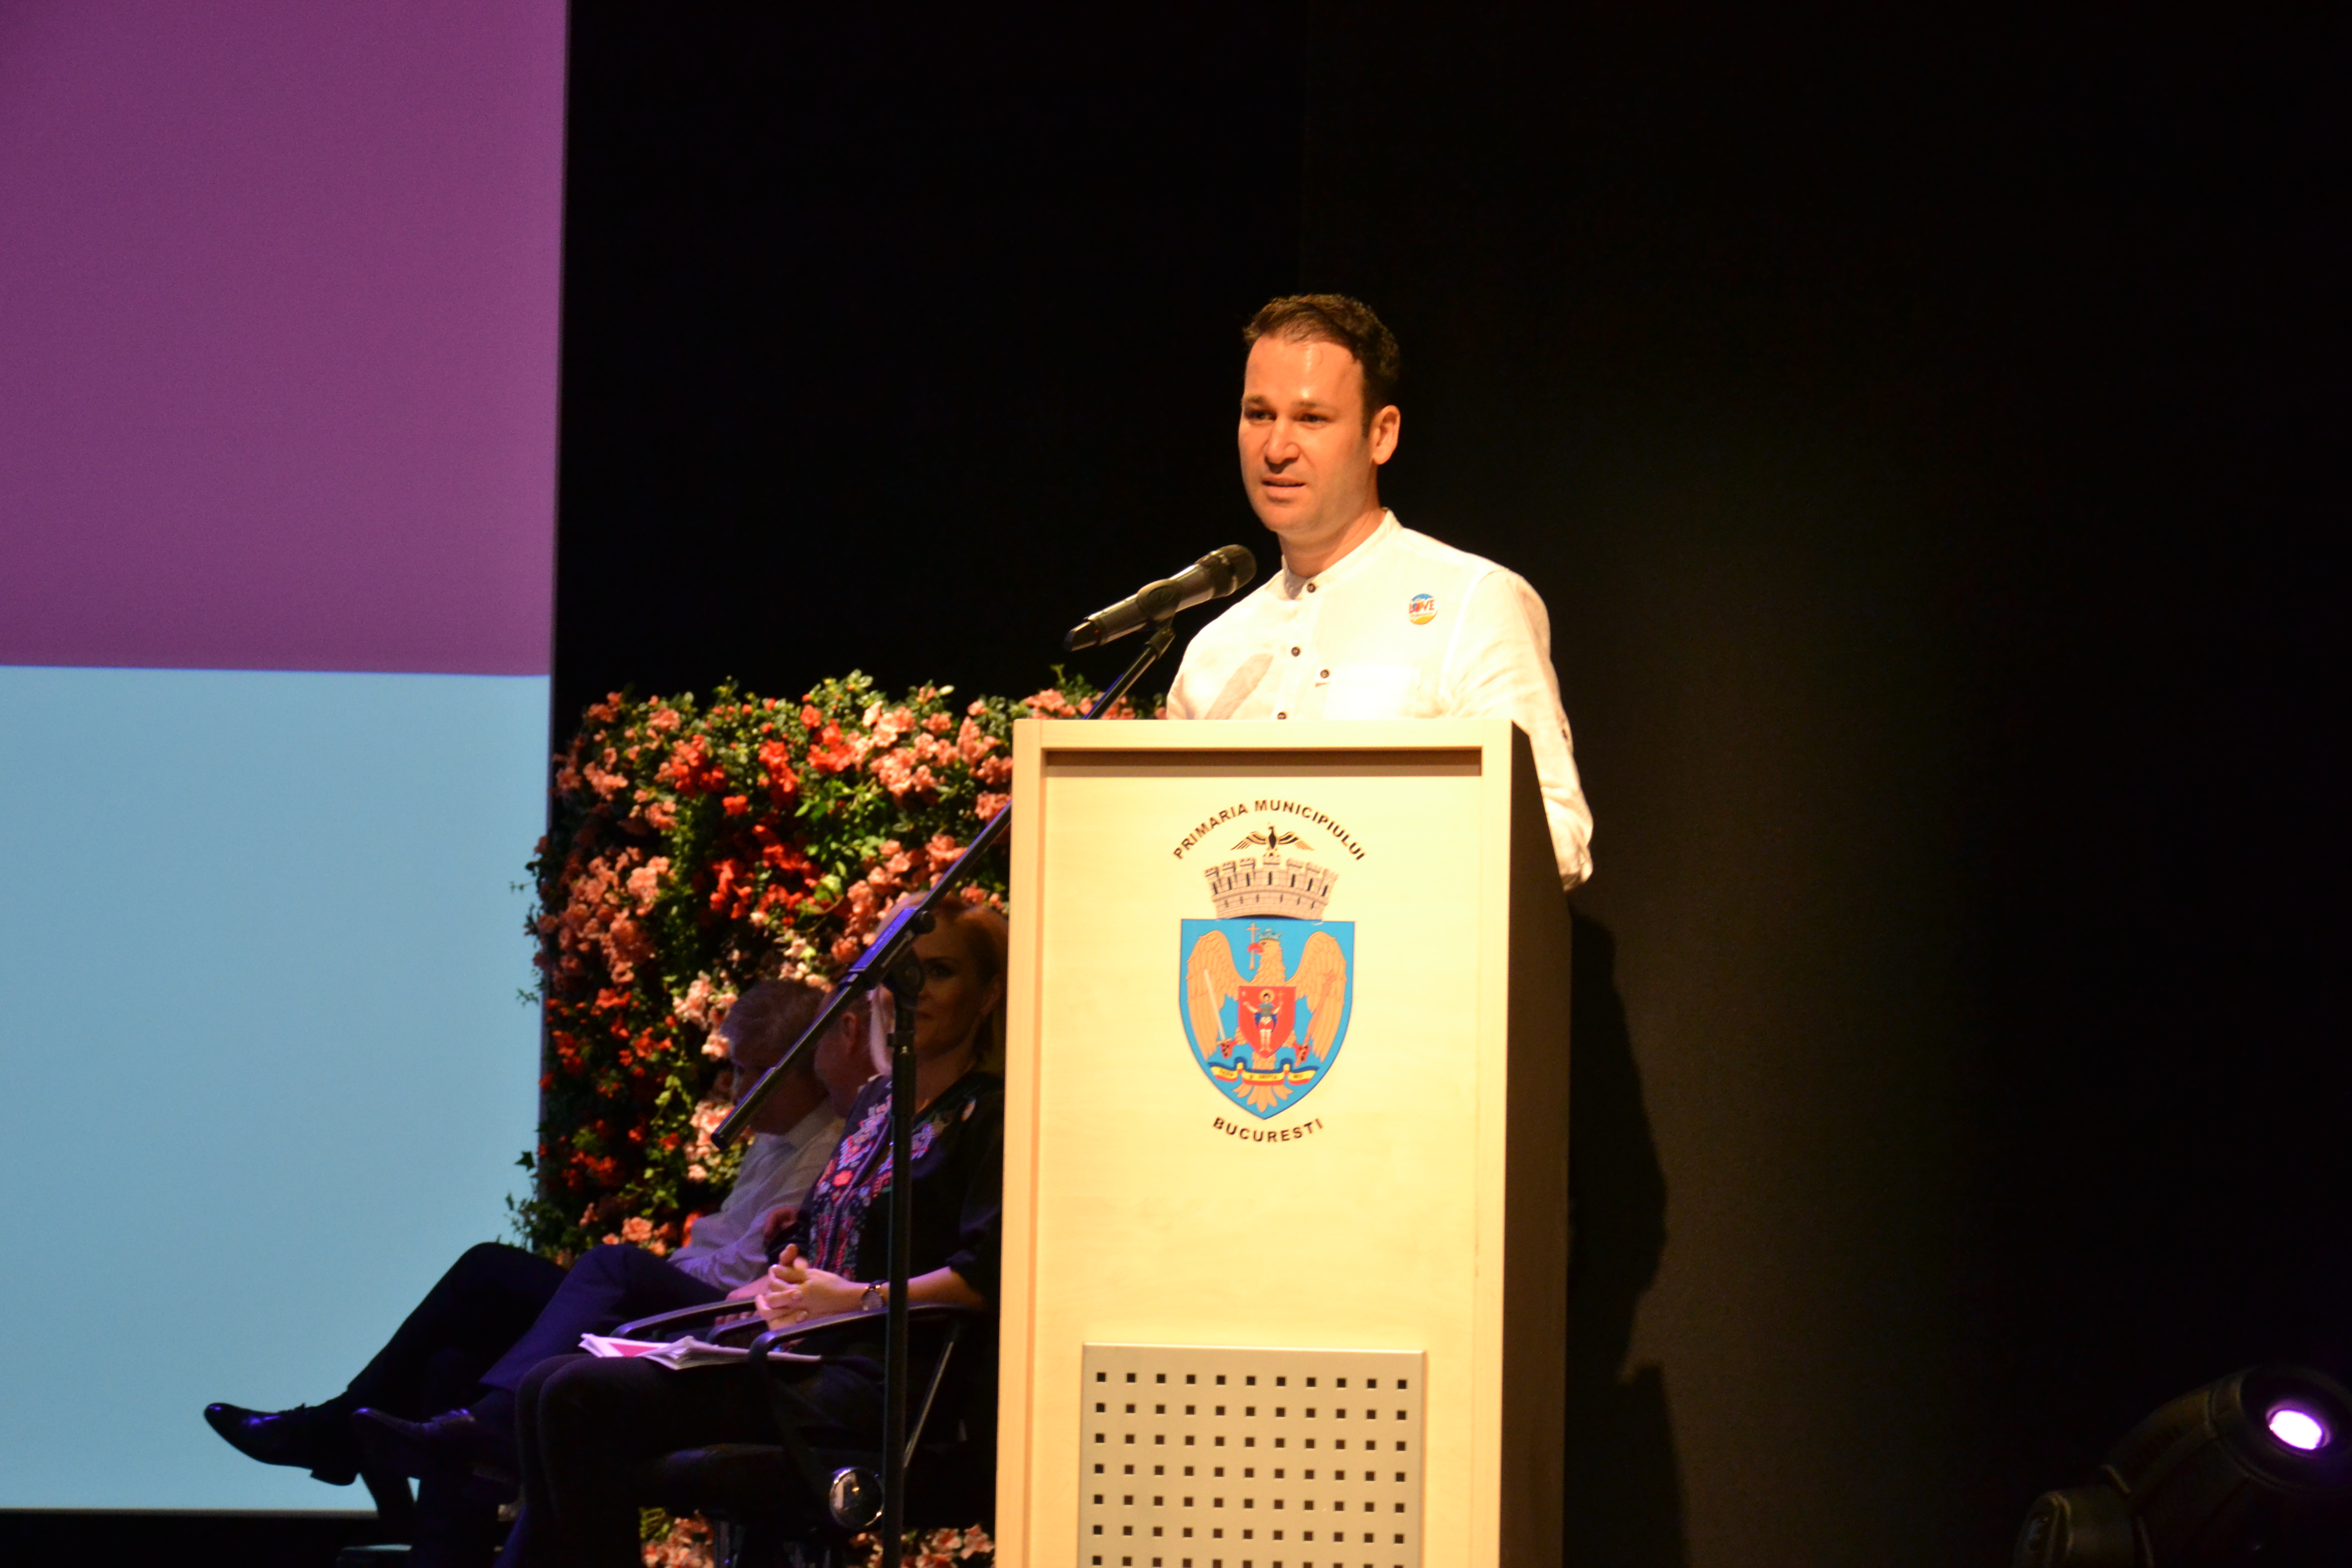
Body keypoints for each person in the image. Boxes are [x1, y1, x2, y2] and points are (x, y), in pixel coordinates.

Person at [201, 979, 868, 1554]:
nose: (740, 1089)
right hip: (696, 1295)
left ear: (801, 1066)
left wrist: (664, 1265)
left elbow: (737, 1273)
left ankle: (348, 1430)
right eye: (738, 1070)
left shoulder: (822, 1147)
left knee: (529, 1270)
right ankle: (435, 1498)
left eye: (755, 1071)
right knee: (452, 1365)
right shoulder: (776, 1141)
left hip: (719, 1320)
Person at [495, 898, 1010, 1568]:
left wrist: (856, 1300)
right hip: (804, 1358)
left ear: (988, 994)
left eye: (939, 972)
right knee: (546, 1381)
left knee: (575, 1396)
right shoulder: (874, 1105)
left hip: (884, 1383)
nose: (912, 991)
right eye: (898, 973)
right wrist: (791, 1265)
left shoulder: (991, 1116)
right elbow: (832, 1238)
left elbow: (983, 1280)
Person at [1167, 293, 1596, 888]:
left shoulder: (1472, 602)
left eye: (1311, 419)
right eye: (1259, 414)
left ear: (1382, 435)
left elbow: (1557, 835)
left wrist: (1402, 858)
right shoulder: (1215, 649)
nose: (1277, 448)